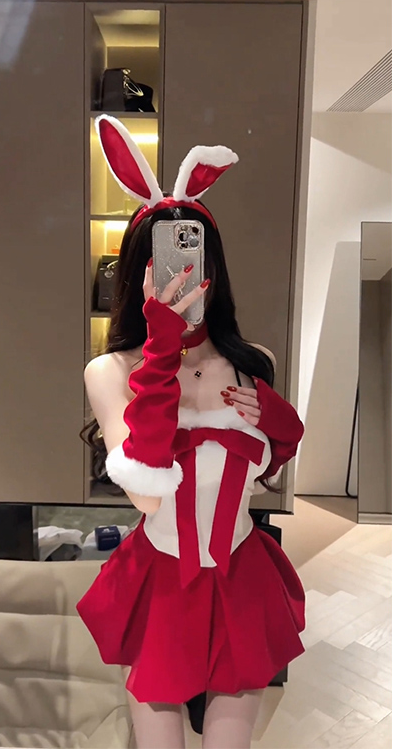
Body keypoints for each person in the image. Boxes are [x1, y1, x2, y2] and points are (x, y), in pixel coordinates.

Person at [77, 116, 306, 749]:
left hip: (241, 576)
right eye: (162, 259)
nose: (180, 273)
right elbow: (146, 495)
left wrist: (279, 426)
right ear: (137, 271)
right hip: (159, 581)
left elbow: (266, 470)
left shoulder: (254, 362)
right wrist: (160, 353)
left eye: (193, 256)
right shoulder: (111, 372)